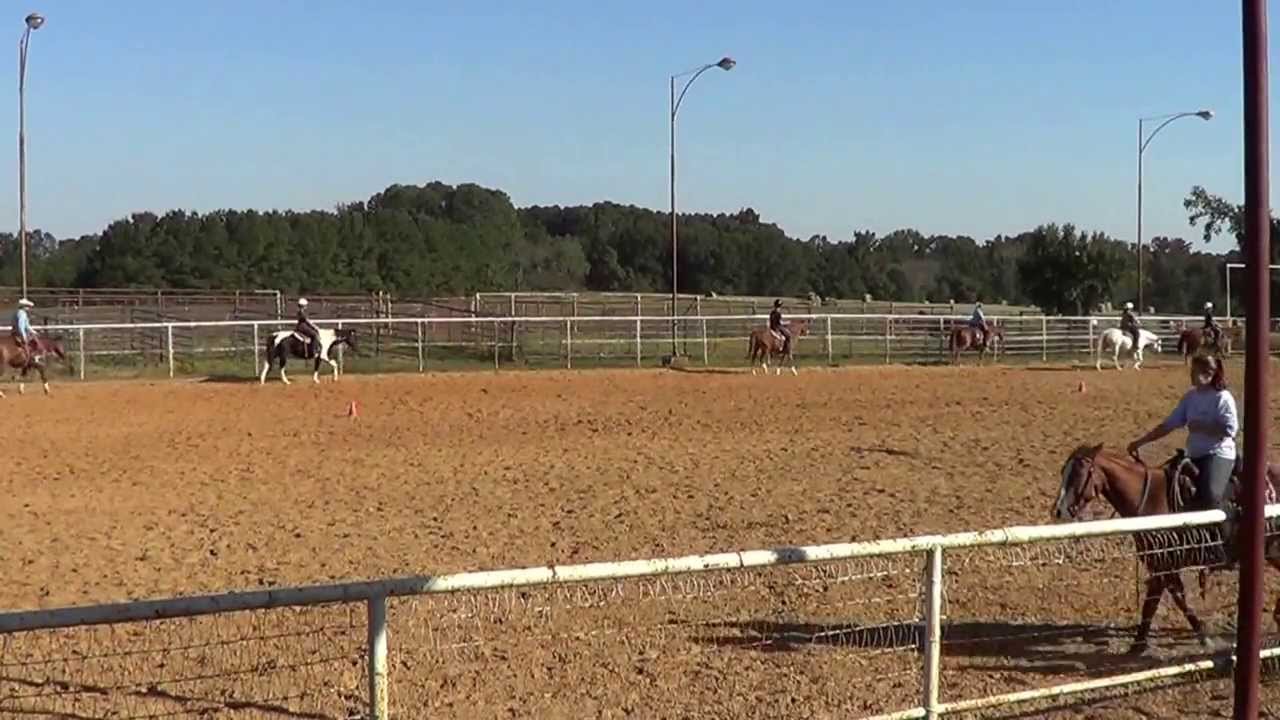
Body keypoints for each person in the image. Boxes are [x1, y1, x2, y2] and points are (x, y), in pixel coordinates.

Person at [1127, 354, 1238, 513]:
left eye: (1195, 371)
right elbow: (1168, 425)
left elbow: (1230, 430)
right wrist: (1140, 442)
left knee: (1211, 495)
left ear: (1208, 374)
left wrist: (1202, 426)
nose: (1191, 375)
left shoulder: (1222, 398)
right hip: (1193, 454)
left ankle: (1228, 527)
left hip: (1218, 454)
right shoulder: (1190, 397)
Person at [11, 298, 39, 364]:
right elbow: (21, 327)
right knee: (34, 343)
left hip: (15, 332)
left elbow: (27, 326)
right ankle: (29, 358)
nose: (29, 308)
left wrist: (33, 331)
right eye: (28, 306)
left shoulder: (17, 312)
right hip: (19, 334)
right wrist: (24, 336)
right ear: (24, 307)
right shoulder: (22, 314)